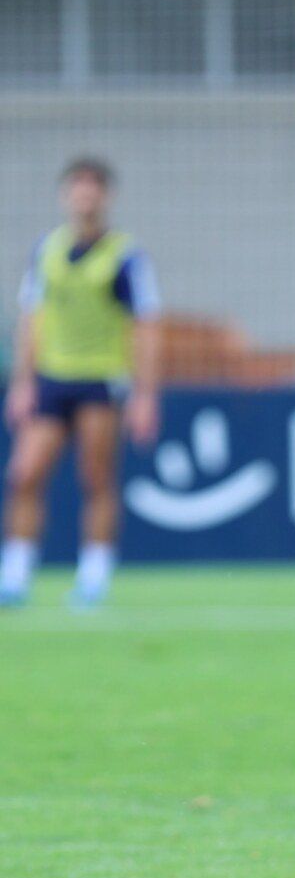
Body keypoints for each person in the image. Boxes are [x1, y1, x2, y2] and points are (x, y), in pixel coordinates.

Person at [2, 156, 161, 609]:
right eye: (78, 188)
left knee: (95, 476)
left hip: (100, 380)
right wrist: (22, 382)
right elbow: (31, 319)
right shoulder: (46, 250)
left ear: (106, 197)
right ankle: (15, 572)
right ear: (66, 195)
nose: (85, 196)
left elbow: (145, 326)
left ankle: (94, 574)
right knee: (25, 474)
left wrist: (146, 394)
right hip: (53, 378)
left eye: (94, 188)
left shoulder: (125, 256)